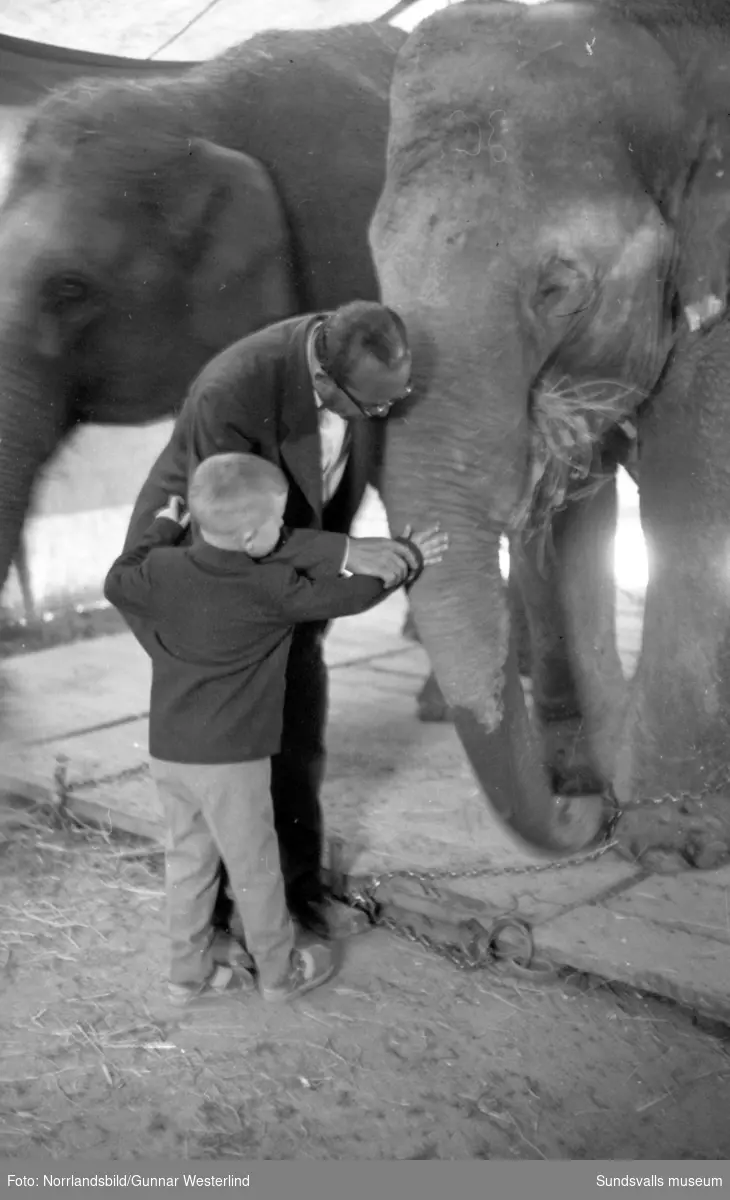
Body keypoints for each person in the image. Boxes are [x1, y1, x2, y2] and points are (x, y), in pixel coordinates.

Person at [123, 300, 422, 941]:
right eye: (373, 408)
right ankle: (244, 922)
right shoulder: (231, 391)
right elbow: (234, 530)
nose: (383, 416)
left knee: (298, 726)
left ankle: (296, 895)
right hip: (212, 582)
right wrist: (346, 555)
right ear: (322, 381)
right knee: (243, 758)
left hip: (284, 563)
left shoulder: (352, 358)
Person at [104, 452, 447, 1006]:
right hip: (233, 762)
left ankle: (187, 975)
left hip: (171, 755)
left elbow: (118, 578)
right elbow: (354, 593)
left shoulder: (161, 569)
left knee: (189, 861)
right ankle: (280, 972)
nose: (284, 531)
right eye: (277, 523)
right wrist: (406, 557)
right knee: (256, 868)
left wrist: (163, 526)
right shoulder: (273, 586)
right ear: (249, 535)